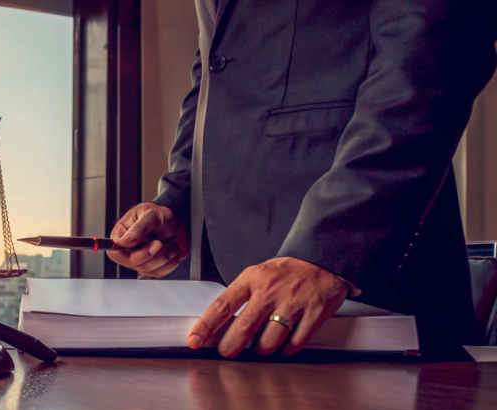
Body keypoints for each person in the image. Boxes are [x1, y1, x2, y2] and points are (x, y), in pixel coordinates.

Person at [109, 0, 497, 360]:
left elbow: (432, 49)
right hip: (225, 294)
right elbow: (216, 70)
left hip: (364, 280)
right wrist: (178, 199)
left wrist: (330, 246)